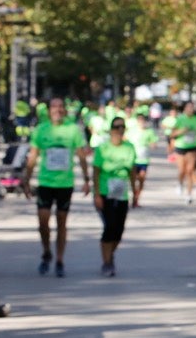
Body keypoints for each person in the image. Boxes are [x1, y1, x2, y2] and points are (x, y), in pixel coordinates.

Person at [24, 96, 91, 277]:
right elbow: (33, 155)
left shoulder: (73, 130)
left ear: (65, 110)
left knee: (62, 221)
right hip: (45, 182)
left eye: (61, 106)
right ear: (48, 110)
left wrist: (86, 179)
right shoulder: (41, 129)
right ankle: (47, 251)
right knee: (43, 220)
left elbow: (81, 154)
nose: (58, 110)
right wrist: (26, 179)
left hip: (65, 182)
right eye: (54, 107)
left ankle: (60, 259)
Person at [91, 118, 138, 277]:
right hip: (105, 192)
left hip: (121, 193)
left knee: (119, 230)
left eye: (122, 127)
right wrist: (97, 194)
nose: (120, 130)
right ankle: (107, 262)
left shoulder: (129, 147)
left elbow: (132, 170)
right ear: (111, 130)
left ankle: (110, 253)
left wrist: (135, 190)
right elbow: (96, 171)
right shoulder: (102, 148)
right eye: (117, 127)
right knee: (109, 227)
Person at [170, 100, 196, 204]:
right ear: (185, 108)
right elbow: (172, 134)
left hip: (193, 147)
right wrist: (182, 131)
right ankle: (180, 183)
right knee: (182, 170)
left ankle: (189, 194)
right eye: (188, 107)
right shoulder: (180, 119)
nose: (190, 109)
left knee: (190, 171)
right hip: (181, 147)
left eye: (192, 107)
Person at [126, 112, 154, 208]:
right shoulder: (131, 131)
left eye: (143, 121)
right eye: (140, 121)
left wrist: (151, 144)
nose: (141, 123)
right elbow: (124, 140)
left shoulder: (149, 132)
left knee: (142, 179)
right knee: (133, 180)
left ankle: (137, 198)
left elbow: (154, 143)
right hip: (133, 160)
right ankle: (134, 197)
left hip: (144, 160)